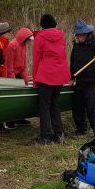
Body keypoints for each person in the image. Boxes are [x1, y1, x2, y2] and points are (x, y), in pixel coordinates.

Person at [32, 14, 70, 144]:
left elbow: (36, 59)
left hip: (45, 76)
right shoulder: (61, 36)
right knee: (55, 105)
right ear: (54, 23)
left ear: (42, 25)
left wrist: (35, 79)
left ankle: (46, 136)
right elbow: (62, 55)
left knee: (44, 106)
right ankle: (59, 134)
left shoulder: (40, 37)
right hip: (60, 75)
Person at [70, 19, 95, 138]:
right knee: (77, 106)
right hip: (80, 81)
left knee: (91, 108)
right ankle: (81, 130)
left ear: (86, 33)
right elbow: (73, 61)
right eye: (76, 34)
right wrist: (72, 77)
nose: (77, 36)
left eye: (80, 34)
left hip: (93, 82)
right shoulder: (76, 44)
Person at [6, 27, 34, 126]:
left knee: (22, 98)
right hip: (12, 75)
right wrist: (13, 82)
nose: (29, 42)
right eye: (28, 39)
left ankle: (20, 118)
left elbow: (24, 65)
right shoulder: (12, 45)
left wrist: (25, 80)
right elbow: (9, 66)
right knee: (13, 100)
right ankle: (10, 121)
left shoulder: (23, 46)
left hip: (19, 74)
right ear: (24, 38)